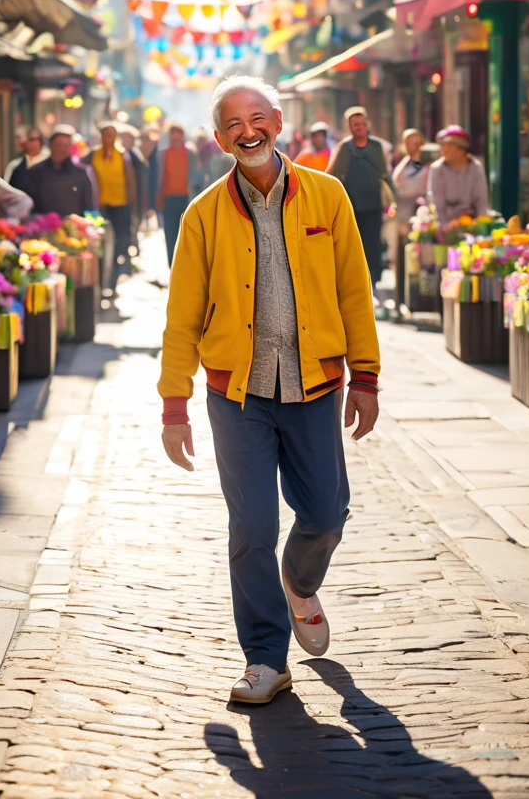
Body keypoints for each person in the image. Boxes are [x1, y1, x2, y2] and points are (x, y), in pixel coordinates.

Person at [160, 75, 380, 706]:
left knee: (325, 515)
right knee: (251, 527)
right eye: (233, 123)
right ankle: (264, 657)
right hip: (239, 397)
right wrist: (174, 404)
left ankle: (299, 581)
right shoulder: (202, 215)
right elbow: (182, 317)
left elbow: (353, 293)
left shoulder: (327, 196)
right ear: (219, 137)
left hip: (314, 387)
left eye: (258, 118)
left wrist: (365, 376)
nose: (248, 131)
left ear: (279, 122)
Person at [326, 107, 395, 291]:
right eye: (356, 124)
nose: (360, 128)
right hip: (351, 206)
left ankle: (373, 282)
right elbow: (331, 174)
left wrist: (393, 198)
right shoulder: (344, 148)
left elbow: (385, 174)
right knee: (354, 246)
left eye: (363, 124)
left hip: (373, 205)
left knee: (373, 245)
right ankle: (356, 283)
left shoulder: (376, 147)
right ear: (350, 126)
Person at [91, 122, 136, 290]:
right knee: (102, 244)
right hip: (101, 206)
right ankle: (102, 280)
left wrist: (135, 209)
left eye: (111, 134)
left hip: (121, 205)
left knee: (119, 242)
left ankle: (113, 280)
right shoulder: (93, 155)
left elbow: (131, 183)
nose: (108, 138)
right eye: (105, 134)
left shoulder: (123, 156)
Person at [392, 129, 430, 311]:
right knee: (401, 257)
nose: (412, 146)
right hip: (403, 215)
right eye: (408, 142)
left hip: (418, 215)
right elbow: (396, 181)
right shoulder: (406, 163)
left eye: (416, 141)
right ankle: (401, 299)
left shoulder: (425, 164)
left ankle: (416, 300)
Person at [25, 125, 95, 217]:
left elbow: (89, 206)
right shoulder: (36, 172)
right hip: (45, 228)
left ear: (71, 147)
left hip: (74, 227)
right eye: (58, 145)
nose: (61, 149)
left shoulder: (80, 174)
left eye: (65, 145)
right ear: (50, 146)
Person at [157, 124, 202, 266]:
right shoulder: (163, 155)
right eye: (173, 134)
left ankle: (186, 265)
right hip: (169, 200)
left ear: (183, 136)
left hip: (186, 200)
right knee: (169, 235)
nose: (175, 137)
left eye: (178, 134)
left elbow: (197, 177)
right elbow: (158, 178)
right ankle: (172, 265)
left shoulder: (191, 154)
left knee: (186, 235)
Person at [427, 126, 489, 225]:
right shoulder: (437, 169)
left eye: (449, 146)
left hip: (471, 222)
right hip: (446, 223)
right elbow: (437, 205)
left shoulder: (476, 167)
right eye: (443, 145)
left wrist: (481, 226)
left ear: (462, 150)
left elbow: (481, 202)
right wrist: (445, 230)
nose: (444, 150)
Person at [118, 125, 149, 251]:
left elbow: (142, 179)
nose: (125, 140)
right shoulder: (118, 154)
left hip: (135, 196)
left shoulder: (135, 156)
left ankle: (132, 246)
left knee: (134, 222)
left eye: (128, 138)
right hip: (121, 196)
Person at [4, 127, 49, 195]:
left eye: (38, 139)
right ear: (25, 142)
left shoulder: (50, 162)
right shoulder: (15, 165)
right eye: (31, 139)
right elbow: (6, 188)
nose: (34, 143)